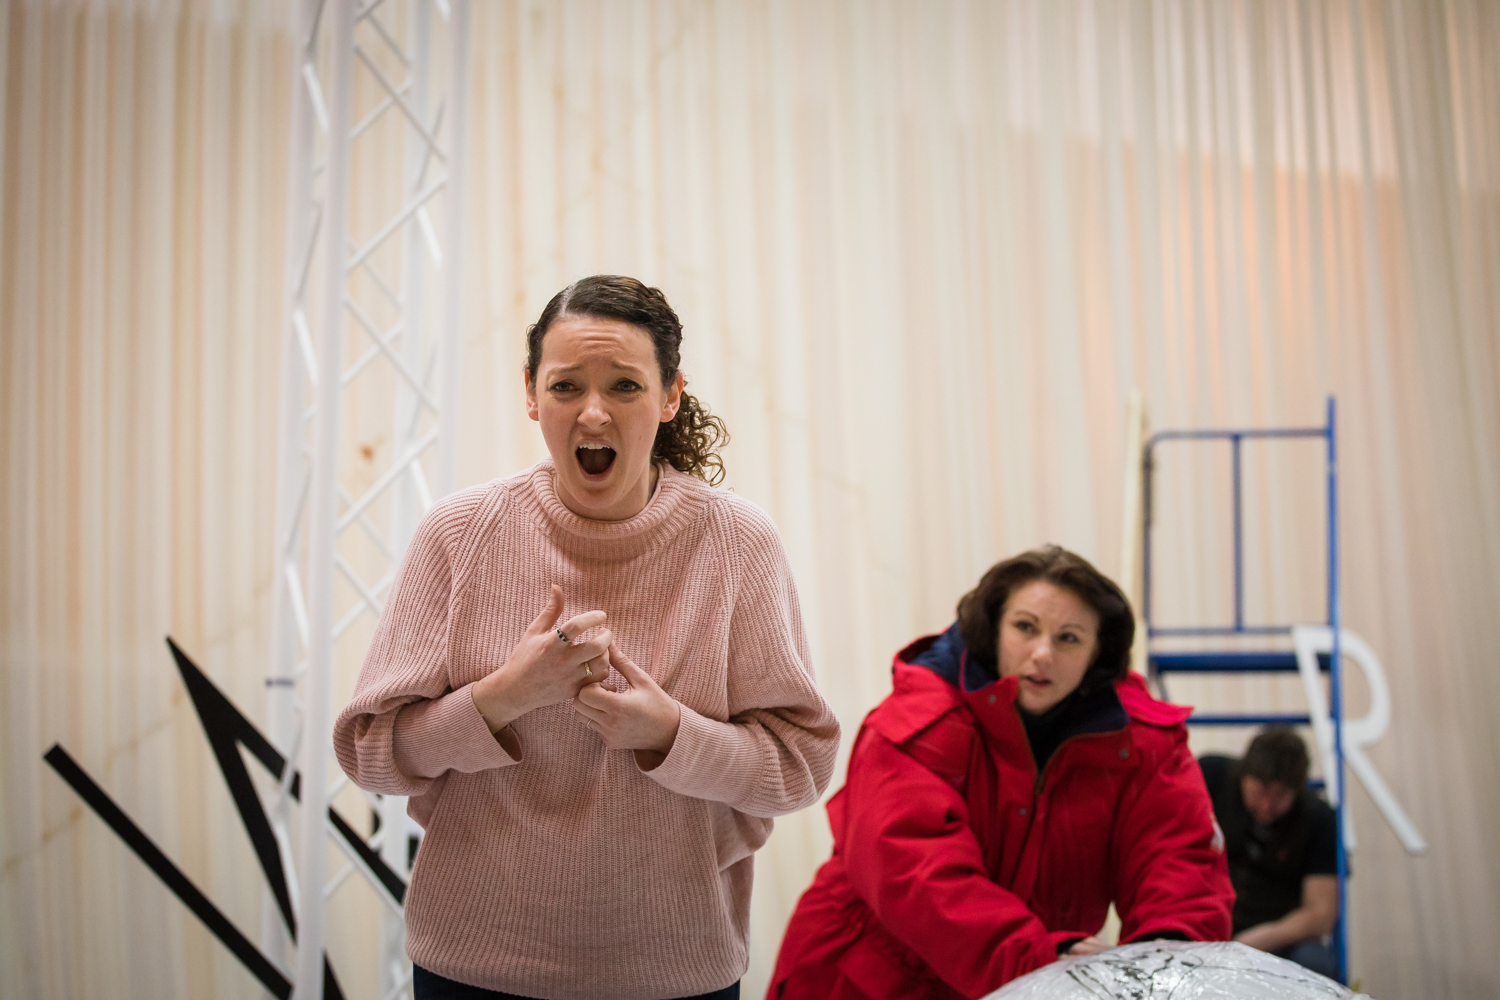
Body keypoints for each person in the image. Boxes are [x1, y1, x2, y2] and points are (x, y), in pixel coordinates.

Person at [333, 275, 841, 1000]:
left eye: (626, 387)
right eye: (567, 386)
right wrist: (501, 699)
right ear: (533, 395)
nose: (593, 412)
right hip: (474, 968)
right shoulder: (459, 533)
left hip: (674, 974)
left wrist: (670, 733)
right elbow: (370, 755)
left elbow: (801, 766)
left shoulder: (737, 543)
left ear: (670, 397)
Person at [768, 546, 1233, 1000]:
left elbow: (1179, 860)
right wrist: (1039, 962)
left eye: (1069, 637)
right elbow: (916, 872)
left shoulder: (1143, 742)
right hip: (867, 978)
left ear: (1098, 651)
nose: (1042, 653)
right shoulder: (916, 721)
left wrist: (1166, 962)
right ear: (993, 629)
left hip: (1035, 979)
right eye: (1025, 627)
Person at [1198, 728, 1340, 980]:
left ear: (1297, 791)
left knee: (1314, 963)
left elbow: (1320, 914)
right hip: (1206, 925)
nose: (1266, 806)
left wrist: (1253, 942)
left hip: (1278, 939)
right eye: (1259, 792)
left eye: (1279, 797)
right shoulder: (1211, 778)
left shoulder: (1319, 819)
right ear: (1243, 775)